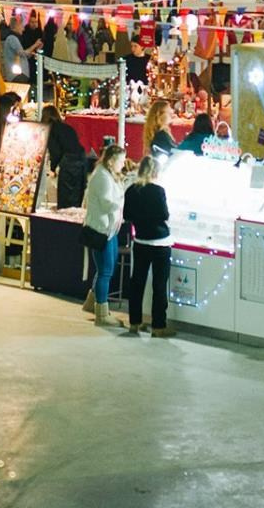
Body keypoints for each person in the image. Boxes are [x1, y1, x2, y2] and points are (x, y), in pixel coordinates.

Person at [120, 155, 173, 337]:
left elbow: (126, 215)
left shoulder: (131, 191)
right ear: (155, 172)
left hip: (140, 241)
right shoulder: (158, 191)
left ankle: (134, 322)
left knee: (137, 283)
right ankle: (158, 326)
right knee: (159, 285)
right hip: (160, 243)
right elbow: (164, 215)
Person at [81, 144, 129, 326]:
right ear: (111, 161)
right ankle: (102, 313)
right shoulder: (102, 177)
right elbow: (108, 203)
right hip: (102, 229)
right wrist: (124, 201)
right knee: (105, 271)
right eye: (121, 161)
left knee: (105, 269)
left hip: (109, 229)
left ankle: (93, 302)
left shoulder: (107, 175)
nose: (123, 164)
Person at [42, 106, 89, 209]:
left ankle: (66, 222)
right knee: (77, 195)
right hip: (82, 160)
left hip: (69, 163)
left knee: (66, 199)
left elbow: (55, 152)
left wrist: (53, 168)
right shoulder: (66, 127)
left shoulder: (50, 130)